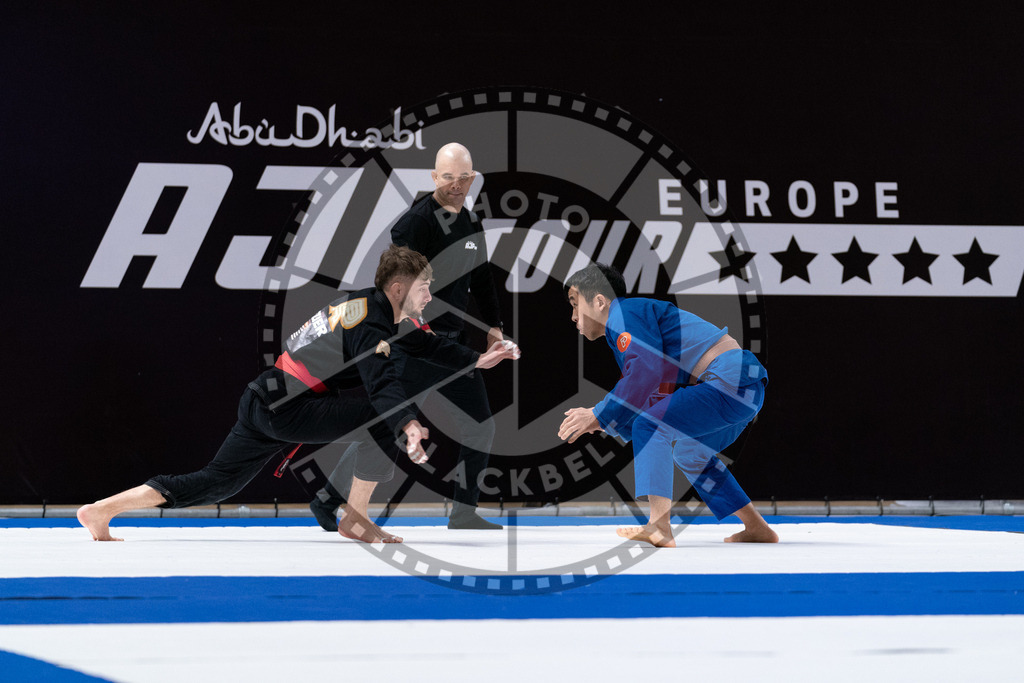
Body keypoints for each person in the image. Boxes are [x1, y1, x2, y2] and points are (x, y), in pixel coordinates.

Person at [77, 245, 518, 543]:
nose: (429, 295)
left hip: (263, 398)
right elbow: (382, 383)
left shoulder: (365, 306)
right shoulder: (371, 322)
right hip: (287, 406)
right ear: (399, 288)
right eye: (424, 287)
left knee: (214, 483)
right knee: (386, 413)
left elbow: (421, 343)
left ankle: (102, 510)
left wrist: (476, 360)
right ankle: (356, 519)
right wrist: (408, 423)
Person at [311, 142, 506, 530]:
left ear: (472, 179)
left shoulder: (471, 223)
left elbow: (482, 279)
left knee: (480, 425)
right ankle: (327, 499)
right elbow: (393, 281)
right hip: (416, 345)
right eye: (447, 177)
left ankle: (464, 511)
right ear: (435, 177)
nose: (455, 184)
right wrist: (409, 326)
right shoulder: (414, 223)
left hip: (452, 346)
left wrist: (494, 326)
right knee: (387, 426)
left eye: (462, 177)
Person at [556, 263, 778, 547]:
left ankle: (659, 526)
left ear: (599, 301)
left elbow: (646, 374)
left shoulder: (624, 313)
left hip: (729, 380)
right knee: (690, 454)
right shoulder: (631, 322)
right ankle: (757, 527)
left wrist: (599, 413)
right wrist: (604, 421)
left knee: (649, 424)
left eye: (575, 304)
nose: (573, 317)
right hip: (746, 387)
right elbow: (656, 390)